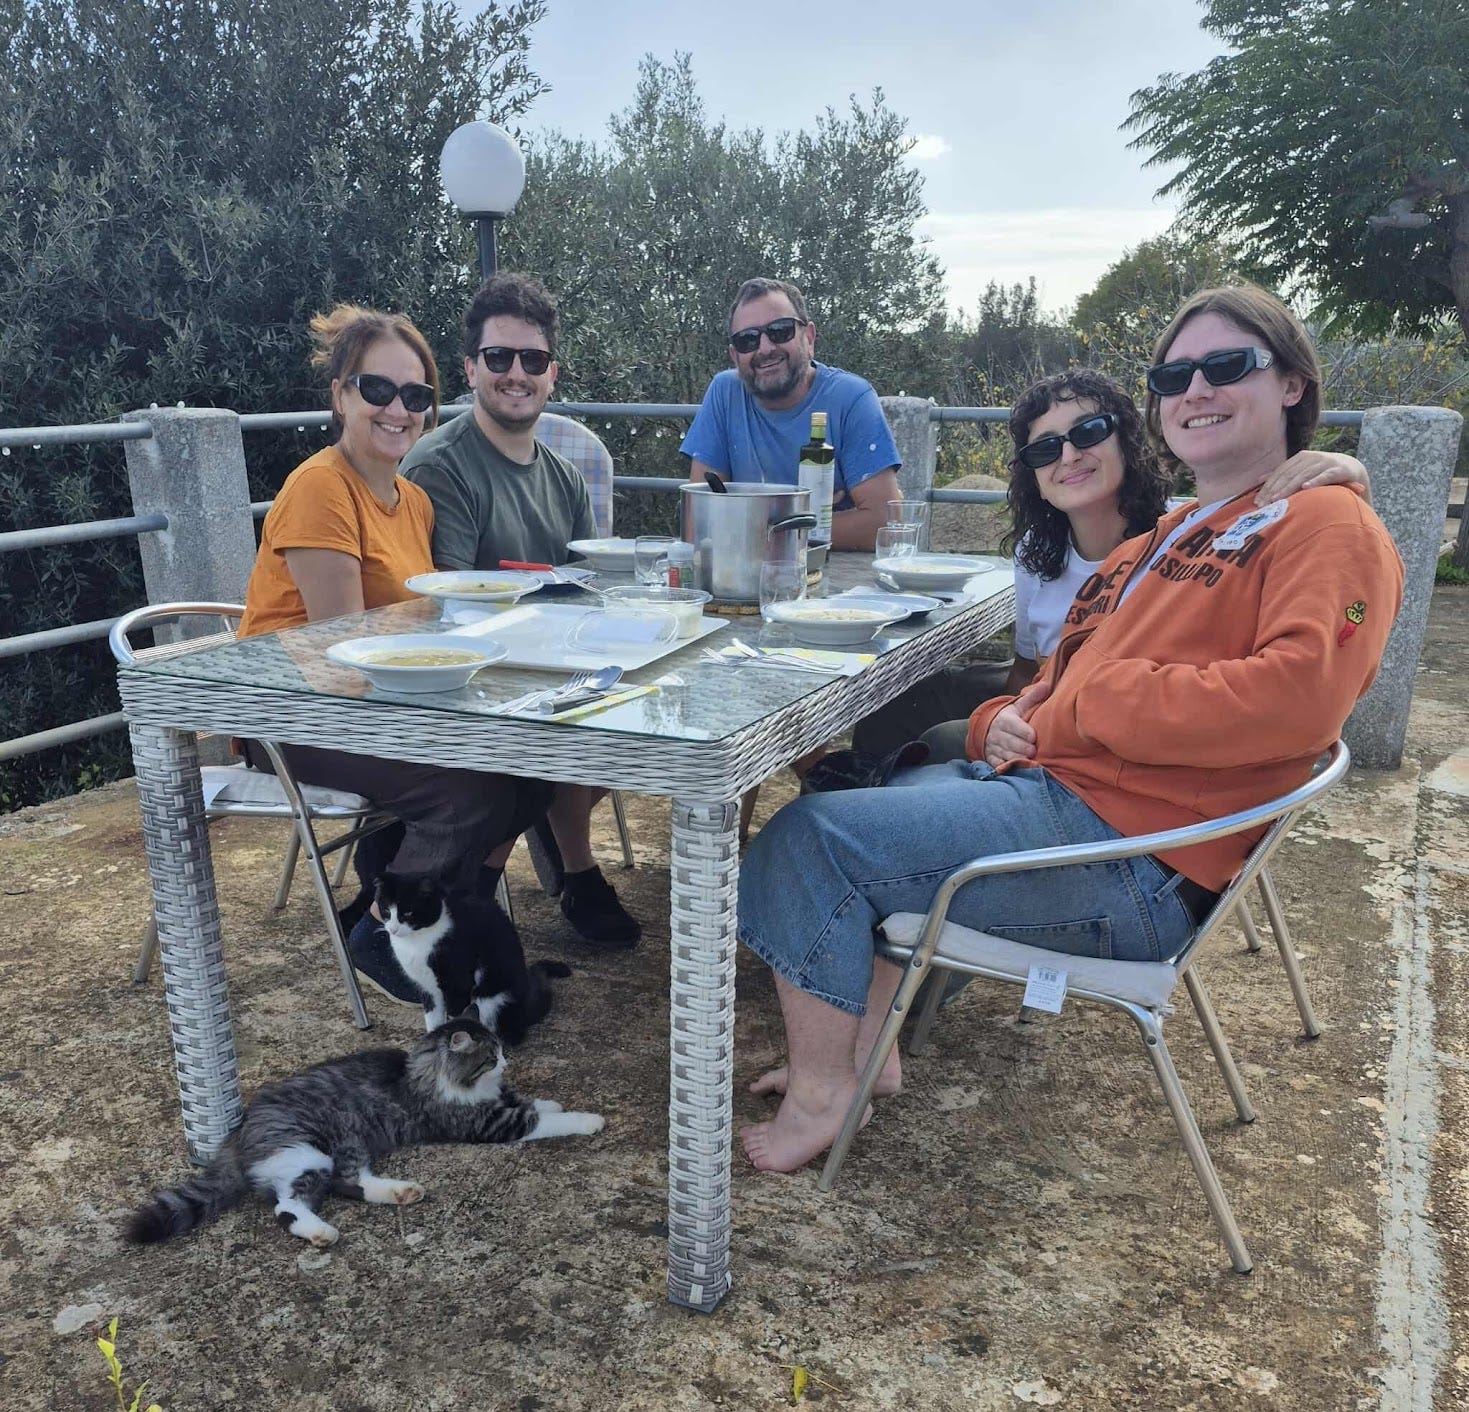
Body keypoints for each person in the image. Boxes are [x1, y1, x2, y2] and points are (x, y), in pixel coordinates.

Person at [734, 283, 1404, 1174]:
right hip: (1073, 806)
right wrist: (996, 723)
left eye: (1225, 365)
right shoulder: (1165, 537)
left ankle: (823, 1094)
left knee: (805, 841)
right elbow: (1050, 681)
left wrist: (1085, 706)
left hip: (1135, 859)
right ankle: (867, 1053)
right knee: (887, 785)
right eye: (1173, 375)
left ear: (1290, 383)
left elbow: (1297, 702)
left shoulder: (1324, 521)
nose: (1196, 389)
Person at [238, 304, 551, 1003]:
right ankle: (383, 938)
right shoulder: (320, 488)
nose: (398, 409)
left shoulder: (412, 499)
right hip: (293, 711)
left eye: (415, 395)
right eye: (377, 389)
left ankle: (446, 913)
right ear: (340, 395)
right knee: (469, 791)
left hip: (373, 707)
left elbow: (418, 624)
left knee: (530, 769)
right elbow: (341, 650)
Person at [847, 368, 1369, 764]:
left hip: (1110, 738)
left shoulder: (1184, 536)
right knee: (899, 701)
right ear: (1033, 476)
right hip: (1051, 700)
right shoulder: (1035, 554)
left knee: (940, 739)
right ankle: (858, 789)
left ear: (1127, 441)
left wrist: (1350, 469)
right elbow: (1026, 672)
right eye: (1045, 449)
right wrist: (1006, 718)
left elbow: (1293, 528)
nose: (1068, 456)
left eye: (1089, 432)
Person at [400, 273, 640, 949]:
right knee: (563, 721)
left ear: (551, 373)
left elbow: (587, 588)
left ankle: (556, 865)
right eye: (499, 357)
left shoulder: (564, 477)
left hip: (543, 667)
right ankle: (489, 885)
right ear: (470, 369)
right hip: (466, 684)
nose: (516, 373)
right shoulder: (441, 467)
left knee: (631, 702)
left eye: (532, 359)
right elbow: (445, 609)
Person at [681, 278, 902, 551]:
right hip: (746, 571)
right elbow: (699, 521)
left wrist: (760, 526)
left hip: (834, 572)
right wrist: (809, 520)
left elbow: (883, 524)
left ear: (808, 338)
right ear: (735, 356)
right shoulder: (724, 393)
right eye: (747, 340)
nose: (764, 349)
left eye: (780, 331)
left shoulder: (850, 397)